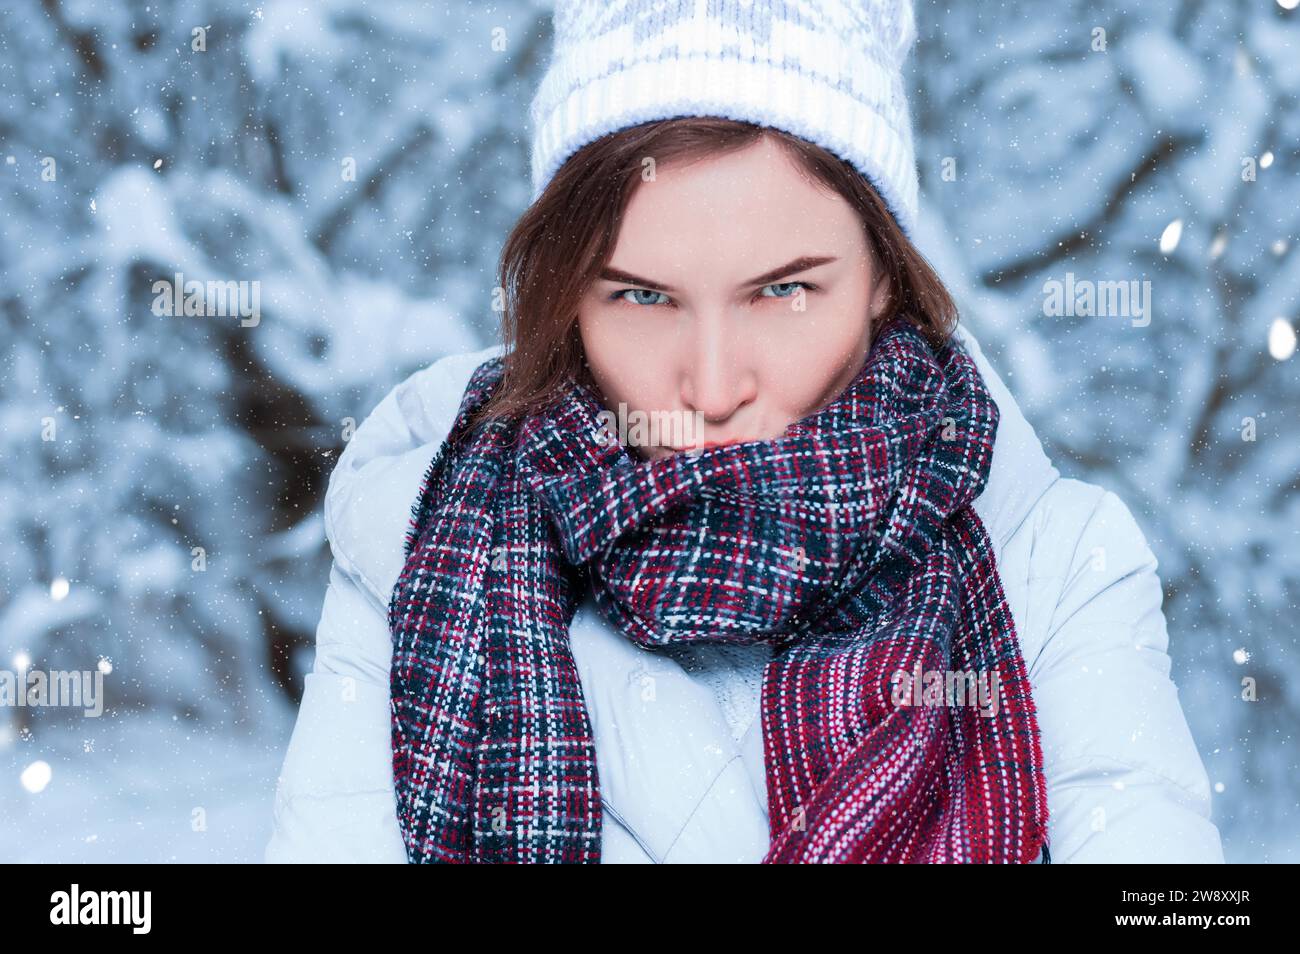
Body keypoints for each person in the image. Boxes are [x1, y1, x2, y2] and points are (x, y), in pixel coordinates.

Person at [265, 0, 1224, 863]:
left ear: (886, 276)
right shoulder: (426, 540)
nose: (714, 386)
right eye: (643, 296)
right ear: (568, 298)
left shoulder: (1056, 567)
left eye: (783, 291)